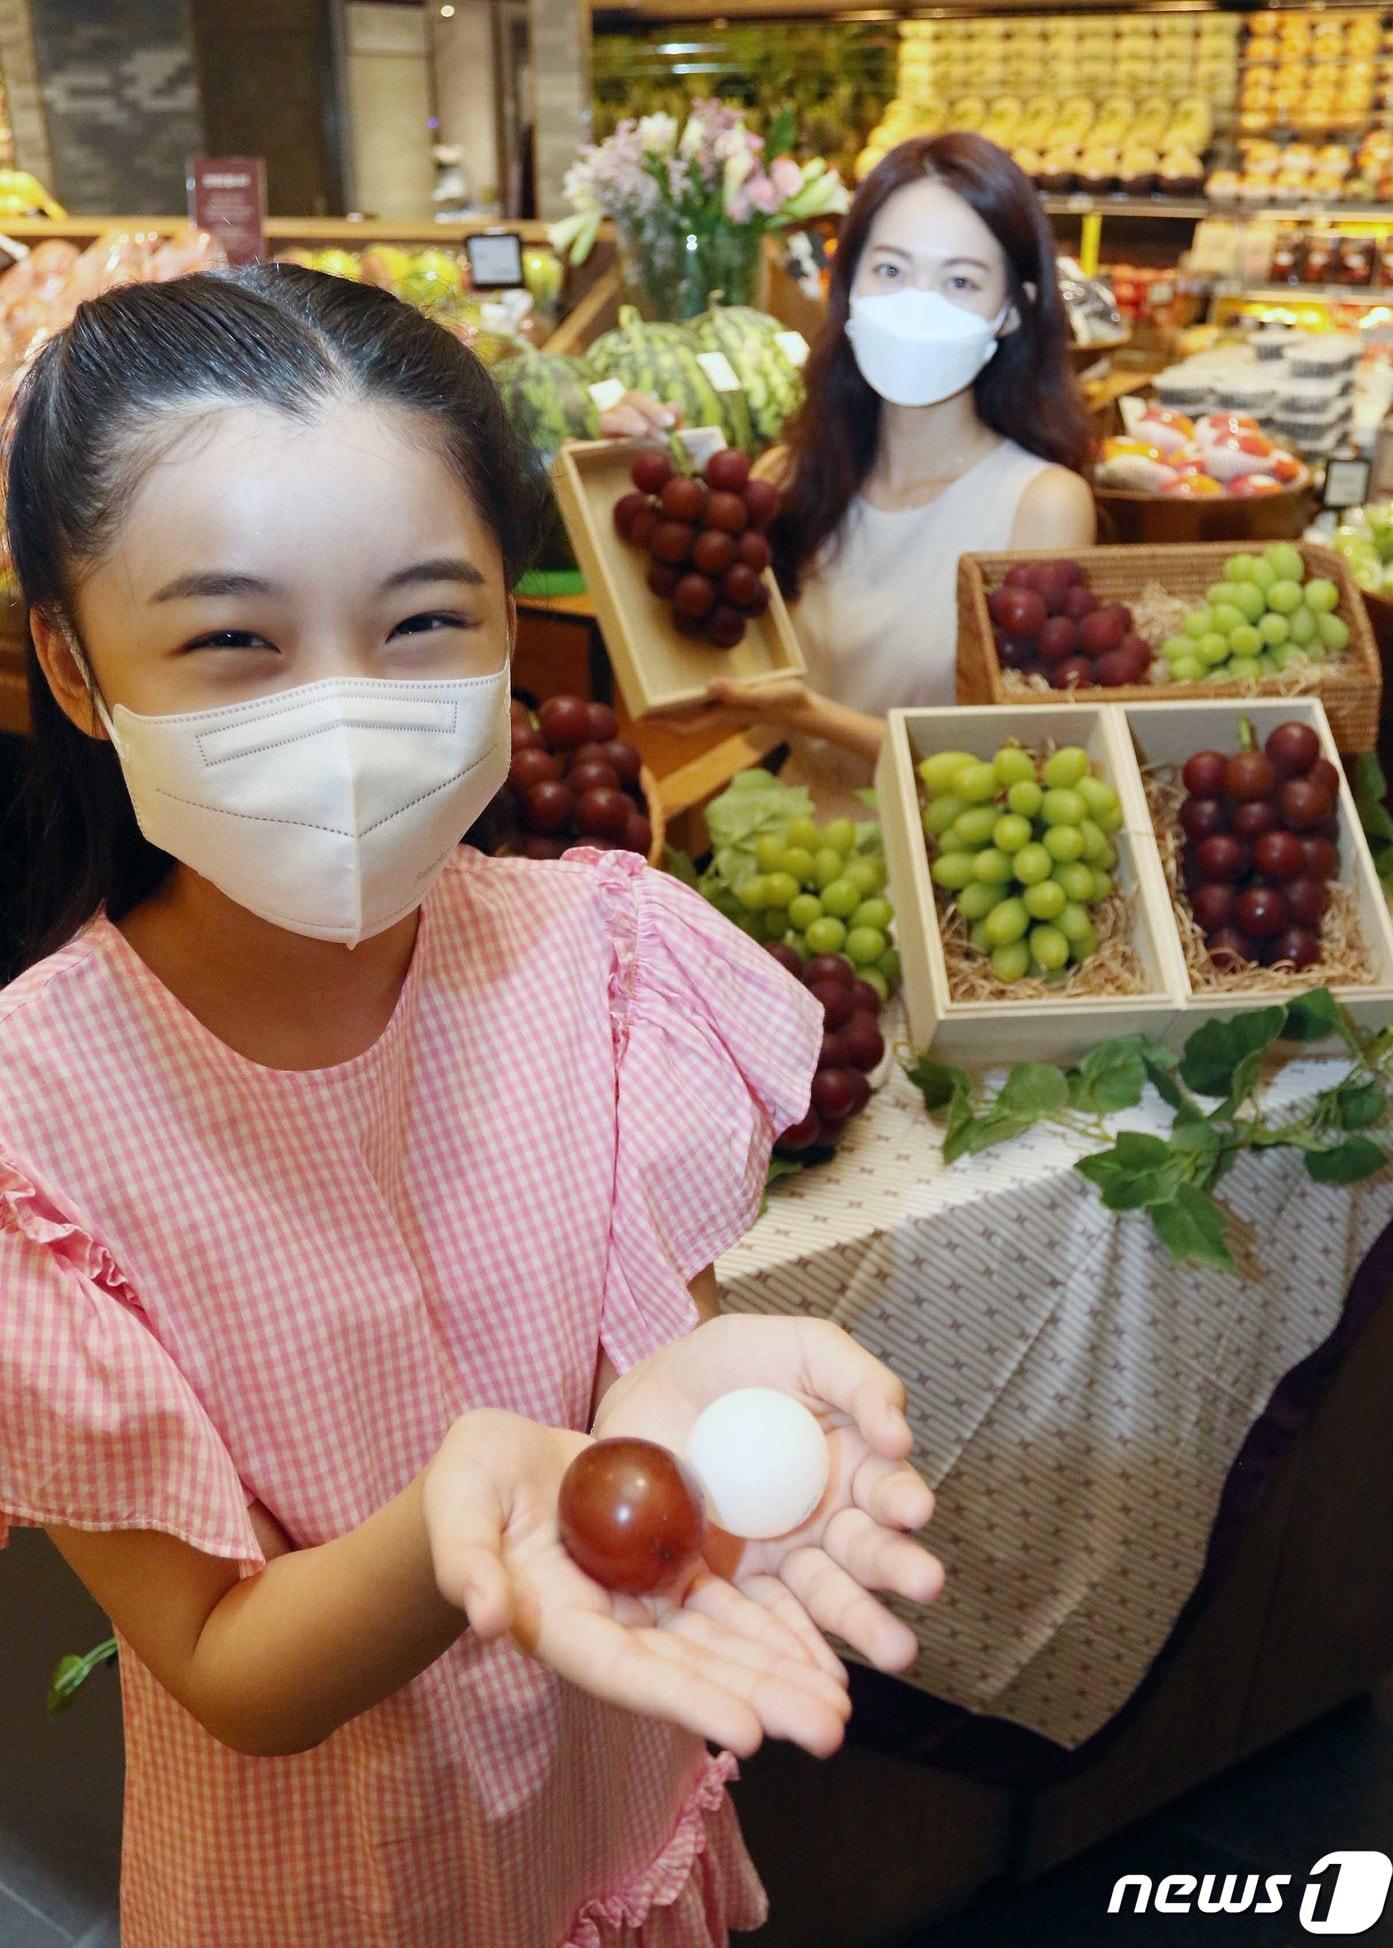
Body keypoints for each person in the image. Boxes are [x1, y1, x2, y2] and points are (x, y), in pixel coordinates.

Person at [0, 265, 944, 1947]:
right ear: (74, 665)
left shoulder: (607, 959)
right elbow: (228, 1666)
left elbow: (637, 1392)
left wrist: (678, 1405)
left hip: (601, 1810)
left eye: (425, 618)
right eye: (233, 639)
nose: (345, 711)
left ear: (516, 622)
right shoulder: (36, 1137)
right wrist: (452, 1518)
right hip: (320, 1886)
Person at [700, 133, 1097, 809]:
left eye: (960, 281)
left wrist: (811, 717)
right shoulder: (790, 475)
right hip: (789, 866)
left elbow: (1031, 767)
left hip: (949, 874)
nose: (918, 305)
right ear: (846, 282)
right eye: (890, 270)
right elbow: (715, 691)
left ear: (1011, 311)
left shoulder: (1042, 506)